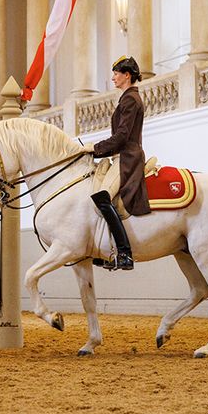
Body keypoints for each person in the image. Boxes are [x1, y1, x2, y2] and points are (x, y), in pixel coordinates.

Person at [83, 56, 150, 270]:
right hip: (121, 155)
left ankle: (124, 253)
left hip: (127, 158)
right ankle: (105, 249)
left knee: (101, 197)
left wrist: (95, 148)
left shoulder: (130, 99)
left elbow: (122, 136)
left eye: (116, 73)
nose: (113, 78)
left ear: (126, 75)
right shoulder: (126, 98)